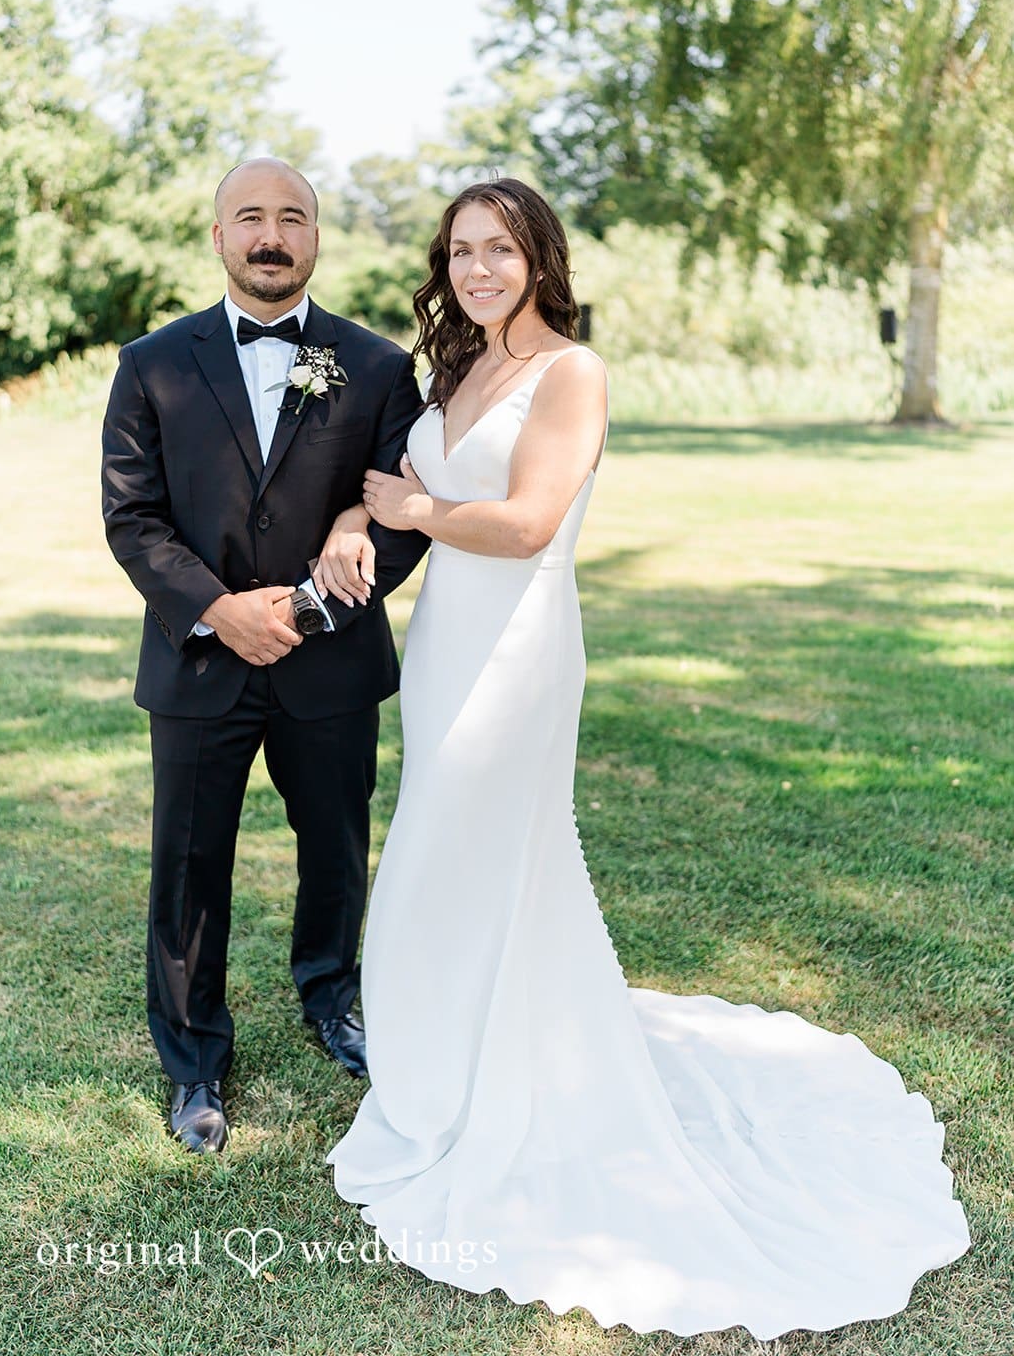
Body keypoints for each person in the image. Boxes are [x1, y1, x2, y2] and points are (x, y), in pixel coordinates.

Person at [317, 178, 970, 1340]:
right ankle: (446, 1064)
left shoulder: (571, 373)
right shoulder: (454, 372)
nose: (476, 270)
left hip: (517, 650)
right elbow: (388, 487)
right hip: (442, 647)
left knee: (448, 858)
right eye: (460, 251)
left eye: (498, 250)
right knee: (447, 855)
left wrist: (412, 507)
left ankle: (471, 1090)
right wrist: (363, 518)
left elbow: (521, 524)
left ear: (537, 259)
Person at [101, 158, 428, 1154]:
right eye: (250, 217)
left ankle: (332, 997)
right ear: (218, 236)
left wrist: (306, 603)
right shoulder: (151, 363)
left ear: (317, 238)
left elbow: (401, 515)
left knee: (334, 844)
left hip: (327, 663)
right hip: (199, 663)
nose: (270, 234)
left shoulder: (374, 366)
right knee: (188, 861)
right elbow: (133, 516)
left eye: (292, 217)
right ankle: (195, 1053)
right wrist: (218, 609)